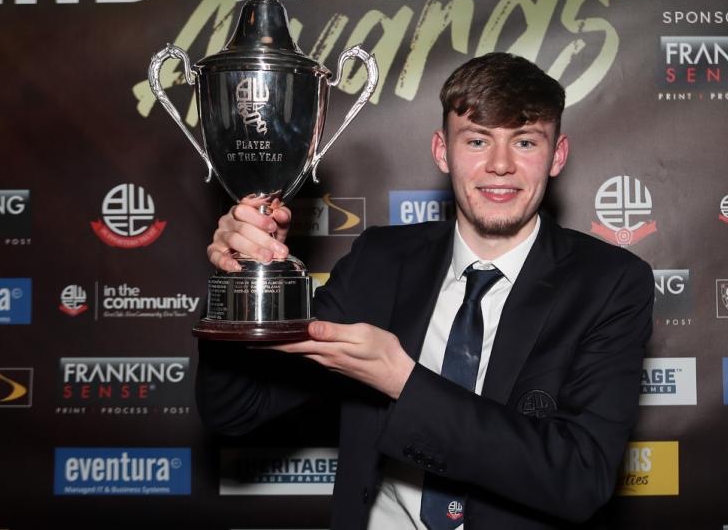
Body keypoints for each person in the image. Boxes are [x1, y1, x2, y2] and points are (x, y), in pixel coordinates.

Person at [198, 52, 653, 529]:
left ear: (557, 155)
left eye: (524, 142)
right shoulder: (379, 261)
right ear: (442, 151)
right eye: (477, 140)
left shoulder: (610, 282)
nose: (500, 165)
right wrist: (241, 276)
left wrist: (404, 382)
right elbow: (236, 408)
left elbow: (580, 478)